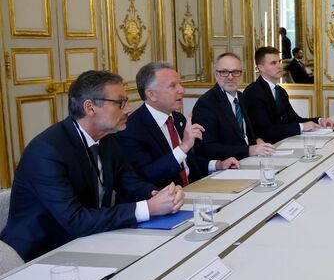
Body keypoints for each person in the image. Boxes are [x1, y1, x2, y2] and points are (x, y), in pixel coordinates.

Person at [0, 70, 185, 261]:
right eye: (120, 103)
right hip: (39, 255)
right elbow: (76, 220)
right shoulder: (46, 152)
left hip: (90, 241)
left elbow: (130, 183)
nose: (128, 109)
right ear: (90, 108)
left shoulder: (108, 139)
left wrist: (163, 195)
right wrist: (148, 208)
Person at [118, 62, 239, 189]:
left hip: (193, 190)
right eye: (172, 86)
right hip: (162, 197)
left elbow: (187, 162)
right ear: (151, 95)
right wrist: (184, 147)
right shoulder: (132, 129)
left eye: (180, 84)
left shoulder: (177, 118)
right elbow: (147, 175)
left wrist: (218, 165)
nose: (182, 90)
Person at [243, 46, 334, 144]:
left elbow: (294, 119)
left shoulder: (280, 91)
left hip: (285, 143)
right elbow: (266, 131)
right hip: (266, 148)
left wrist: (319, 121)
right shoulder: (253, 92)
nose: (280, 66)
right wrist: (301, 127)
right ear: (261, 68)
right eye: (273, 63)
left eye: (279, 61)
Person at [192, 52, 276, 160]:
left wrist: (257, 140)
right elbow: (207, 148)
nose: (230, 77)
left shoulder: (240, 97)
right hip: (226, 165)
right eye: (224, 72)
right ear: (216, 75)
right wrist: (249, 150)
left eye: (235, 72)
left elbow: (243, 133)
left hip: (250, 159)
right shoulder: (206, 104)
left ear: (241, 75)